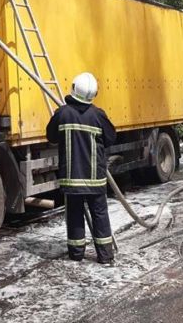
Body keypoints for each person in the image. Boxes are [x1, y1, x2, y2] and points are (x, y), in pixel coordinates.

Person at [46, 72, 117, 264]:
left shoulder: (62, 113)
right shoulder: (98, 115)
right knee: (100, 214)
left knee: (75, 215)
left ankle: (76, 254)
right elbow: (111, 138)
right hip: (95, 178)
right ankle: (105, 255)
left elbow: (51, 137)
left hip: (71, 178)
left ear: (74, 88)